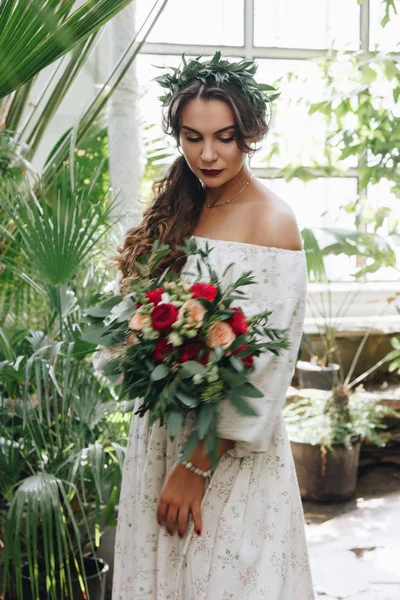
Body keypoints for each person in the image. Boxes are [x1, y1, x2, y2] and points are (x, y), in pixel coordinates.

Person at [111, 53, 315, 599]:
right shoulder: (182, 205)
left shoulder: (272, 220)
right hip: (160, 435)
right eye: (191, 136)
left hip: (220, 450)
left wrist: (194, 468)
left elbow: (265, 366)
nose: (207, 153)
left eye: (224, 137)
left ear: (249, 133)